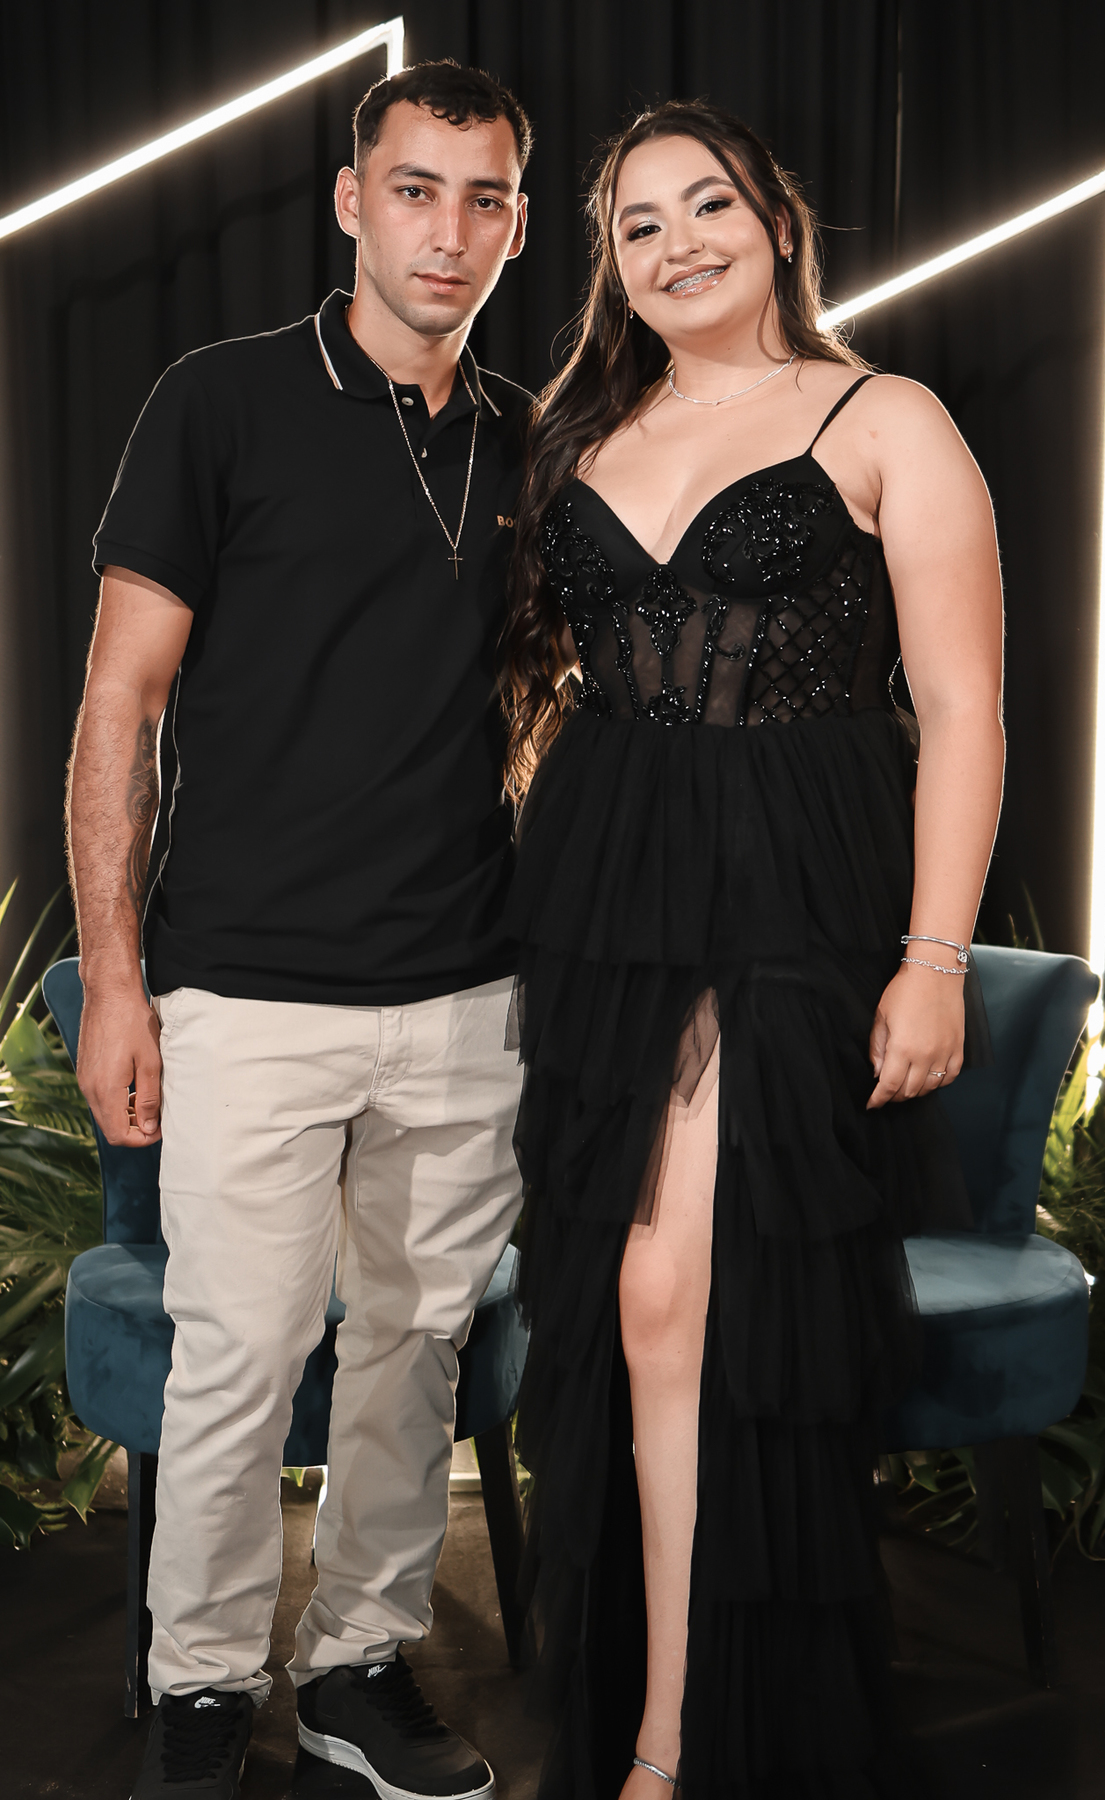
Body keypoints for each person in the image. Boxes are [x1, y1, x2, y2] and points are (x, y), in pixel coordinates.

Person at [500, 100, 1005, 1799]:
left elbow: (964, 707)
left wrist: (935, 955)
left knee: (683, 1295)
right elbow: (548, 680)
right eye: (638, 225)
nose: (678, 244)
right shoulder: (583, 432)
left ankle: (680, 1745)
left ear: (777, 219)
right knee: (631, 1305)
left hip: (802, 887)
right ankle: (664, 1715)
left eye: (706, 204)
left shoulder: (888, 416)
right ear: (611, 266)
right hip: (610, 902)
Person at [67, 61, 533, 1800]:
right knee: (241, 1361)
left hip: (468, 992)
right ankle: (200, 1688)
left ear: (517, 226)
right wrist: (119, 983)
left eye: (485, 199)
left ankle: (357, 1668)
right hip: (248, 989)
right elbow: (119, 706)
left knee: (414, 1355)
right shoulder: (220, 400)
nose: (448, 231)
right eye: (416, 190)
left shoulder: (529, 438)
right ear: (351, 201)